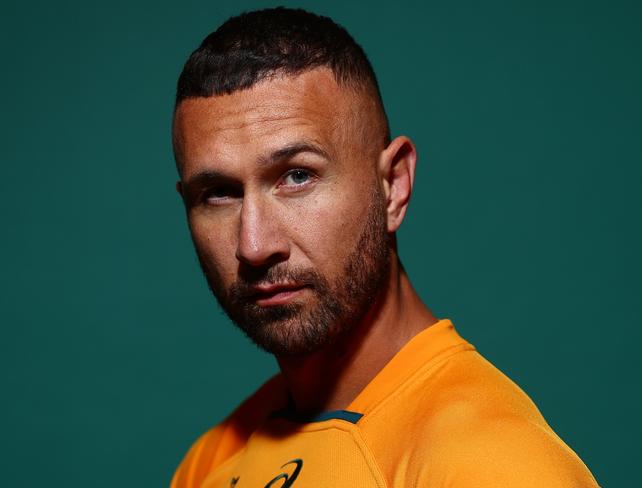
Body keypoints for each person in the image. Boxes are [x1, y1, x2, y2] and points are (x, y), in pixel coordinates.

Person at [170, 7, 599, 488]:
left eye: (297, 176)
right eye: (220, 193)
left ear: (393, 186)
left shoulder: (493, 465)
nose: (253, 246)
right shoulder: (209, 463)